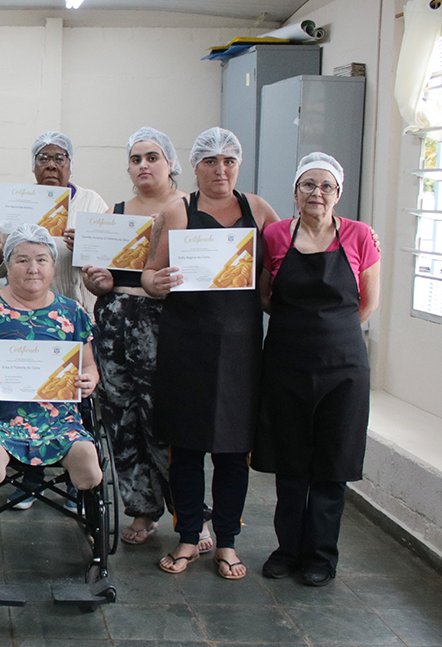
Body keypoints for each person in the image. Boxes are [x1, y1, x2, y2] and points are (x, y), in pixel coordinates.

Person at [142, 127, 280, 580]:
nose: (220, 170)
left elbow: (281, 266)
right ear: (195, 167)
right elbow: (148, 273)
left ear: (238, 165)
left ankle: (226, 542)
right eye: (210, 162)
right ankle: (187, 536)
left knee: (231, 451)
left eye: (229, 161)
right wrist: (156, 284)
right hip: (187, 346)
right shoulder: (177, 211)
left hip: (241, 350)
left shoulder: (257, 209)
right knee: (185, 447)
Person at [253, 153, 380, 587]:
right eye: (309, 185)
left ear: (338, 194)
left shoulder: (360, 236)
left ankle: (321, 556)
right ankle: (287, 549)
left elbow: (368, 303)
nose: (317, 193)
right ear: (295, 191)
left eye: (326, 186)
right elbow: (265, 297)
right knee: (290, 463)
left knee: (332, 463)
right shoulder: (274, 236)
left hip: (344, 367)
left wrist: (330, 331)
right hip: (287, 362)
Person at [82, 127, 186, 545]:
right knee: (121, 419)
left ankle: (189, 512)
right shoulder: (115, 214)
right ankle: (142, 509)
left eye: (153, 157)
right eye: (136, 159)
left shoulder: (187, 210)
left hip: (166, 326)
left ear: (170, 163)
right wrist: (99, 279)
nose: (144, 165)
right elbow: (96, 283)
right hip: (114, 326)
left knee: (165, 420)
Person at [0, 224, 102, 493]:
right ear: (7, 266)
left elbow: (89, 365)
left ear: (53, 266)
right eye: (23, 260)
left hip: (60, 420)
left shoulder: (72, 312)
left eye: (42, 260)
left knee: (90, 472)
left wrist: (90, 379)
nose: (33, 268)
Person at [0, 131, 109, 313]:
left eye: (59, 158)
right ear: (33, 167)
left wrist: (86, 248)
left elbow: (109, 258)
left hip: (77, 310)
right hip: (25, 311)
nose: (51, 165)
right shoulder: (18, 202)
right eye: (43, 159)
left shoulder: (91, 202)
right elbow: (0, 270)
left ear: (70, 165)